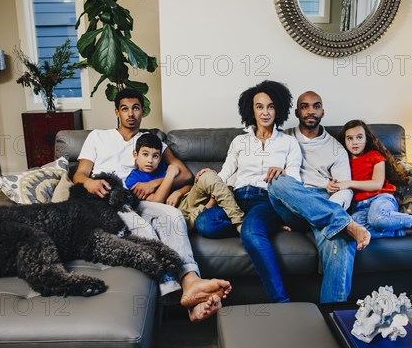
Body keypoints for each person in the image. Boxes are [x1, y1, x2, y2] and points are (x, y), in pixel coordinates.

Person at [73, 88, 231, 322]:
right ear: (117, 111)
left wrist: (153, 184)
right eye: (124, 109)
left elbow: (185, 174)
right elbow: (79, 174)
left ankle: (191, 281)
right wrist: (89, 183)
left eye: (136, 108)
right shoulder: (99, 137)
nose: (130, 114)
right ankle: (175, 290)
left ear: (143, 111)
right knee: (144, 229)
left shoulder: (151, 140)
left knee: (173, 217)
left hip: (139, 200)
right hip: (109, 199)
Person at [194, 80, 303, 303]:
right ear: (250, 110)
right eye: (259, 106)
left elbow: (295, 181)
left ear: (279, 109)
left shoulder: (289, 143)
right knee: (205, 222)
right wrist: (210, 177)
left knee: (252, 233)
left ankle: (281, 302)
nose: (265, 112)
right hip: (237, 200)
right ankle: (249, 226)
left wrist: (281, 173)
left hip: (268, 199)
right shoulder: (239, 141)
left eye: (271, 106)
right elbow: (225, 174)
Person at [266, 91, 371, 303]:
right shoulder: (282, 138)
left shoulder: (336, 148)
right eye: (305, 106)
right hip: (291, 204)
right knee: (277, 180)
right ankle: (343, 222)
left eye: (316, 106)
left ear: (323, 111)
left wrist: (329, 207)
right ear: (297, 112)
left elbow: (344, 188)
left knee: (342, 242)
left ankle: (332, 318)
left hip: (324, 203)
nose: (311, 110)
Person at [331, 119, 412, 241]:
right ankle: (410, 231)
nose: (355, 142)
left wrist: (348, 183)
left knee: (379, 220)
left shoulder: (375, 156)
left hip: (380, 199)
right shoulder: (342, 160)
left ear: (366, 139)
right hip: (358, 207)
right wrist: (332, 185)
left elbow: (377, 184)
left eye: (359, 137)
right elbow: (336, 180)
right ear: (344, 140)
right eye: (350, 138)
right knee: (354, 231)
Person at [124, 133, 244, 236]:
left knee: (207, 176)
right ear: (135, 154)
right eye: (145, 154)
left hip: (187, 200)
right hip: (174, 214)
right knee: (176, 227)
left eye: (155, 156)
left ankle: (239, 221)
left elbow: (189, 185)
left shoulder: (162, 168)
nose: (150, 160)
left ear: (160, 158)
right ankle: (209, 206)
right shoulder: (133, 180)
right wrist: (170, 175)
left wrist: (178, 192)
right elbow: (156, 202)